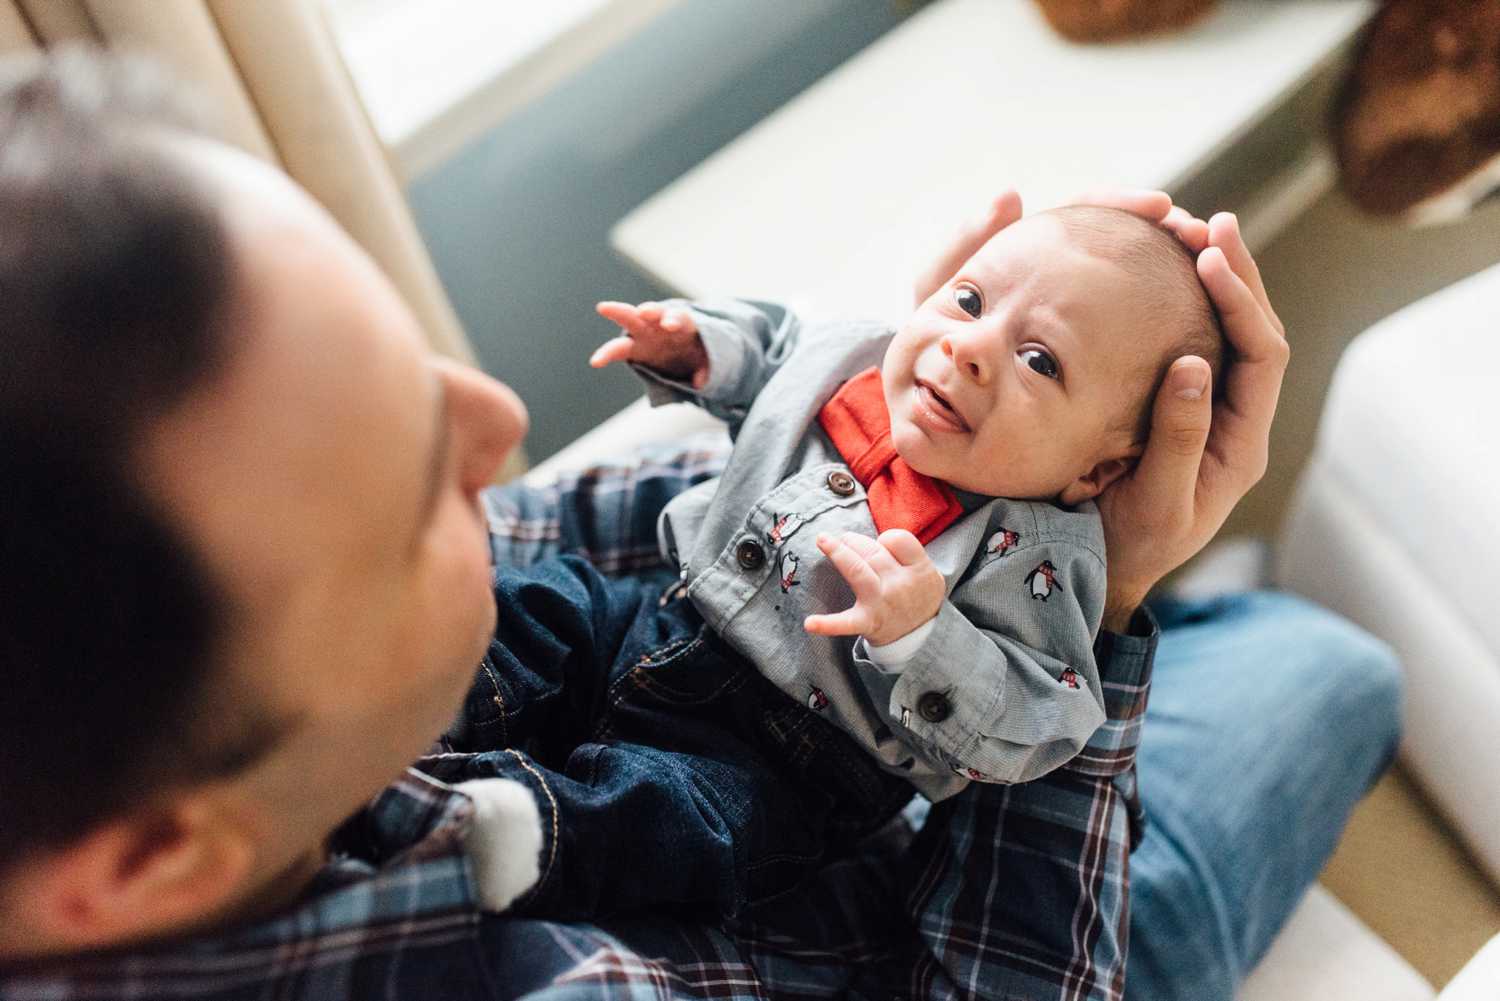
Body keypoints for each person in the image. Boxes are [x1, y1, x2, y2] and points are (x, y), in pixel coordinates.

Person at [0, 50, 1400, 1001]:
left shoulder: (220, 656)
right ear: (150, 858)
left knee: (1271, 645)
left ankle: (1213, 611)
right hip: (880, 865)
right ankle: (1225, 615)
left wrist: (906, 407)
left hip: (859, 693)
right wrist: (1097, 631)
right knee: (1337, 671)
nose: (497, 417)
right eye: (414, 488)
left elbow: (687, 447)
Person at [450, 206, 1229, 920]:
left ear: (1094, 474)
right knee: (533, 613)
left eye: (1040, 360)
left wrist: (925, 635)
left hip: (793, 760)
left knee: (683, 829)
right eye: (969, 301)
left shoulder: (1042, 558)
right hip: (661, 607)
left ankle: (529, 828)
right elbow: (776, 345)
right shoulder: (857, 355)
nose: (970, 348)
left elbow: (1041, 718)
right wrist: (701, 346)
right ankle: (439, 705)